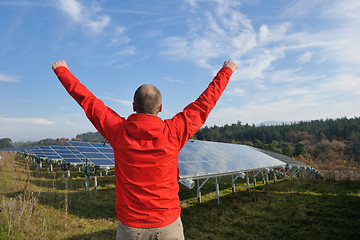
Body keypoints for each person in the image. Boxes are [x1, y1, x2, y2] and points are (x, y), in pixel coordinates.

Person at [52, 60, 237, 239]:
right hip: (167, 226)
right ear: (161, 107)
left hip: (130, 228)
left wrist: (62, 71)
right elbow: (204, 104)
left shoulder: (118, 131)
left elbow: (89, 101)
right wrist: (225, 71)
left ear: (133, 106)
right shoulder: (174, 132)